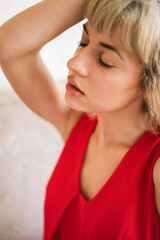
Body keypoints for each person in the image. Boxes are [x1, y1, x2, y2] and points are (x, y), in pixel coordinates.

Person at [0, 0, 160, 239]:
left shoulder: (155, 168)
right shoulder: (76, 123)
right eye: (82, 42)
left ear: (151, 83)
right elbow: (8, 45)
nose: (74, 63)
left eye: (105, 60)